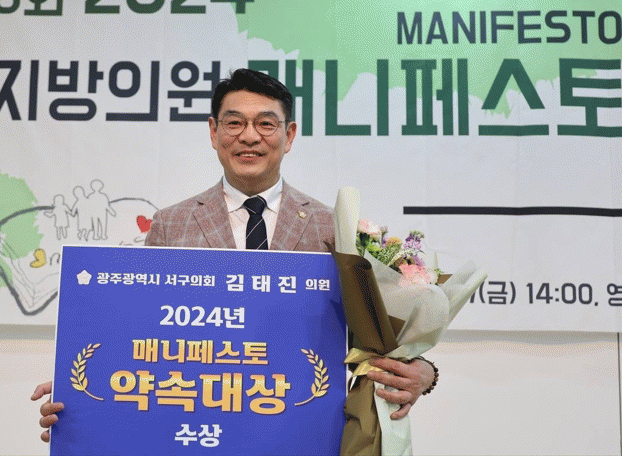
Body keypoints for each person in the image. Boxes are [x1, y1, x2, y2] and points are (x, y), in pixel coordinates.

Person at [32, 68, 437, 442]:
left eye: (266, 124)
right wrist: (85, 398)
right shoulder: (171, 224)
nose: (249, 137)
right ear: (213, 131)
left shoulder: (335, 229)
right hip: (197, 432)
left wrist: (423, 371)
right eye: (234, 123)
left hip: (298, 434)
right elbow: (143, 335)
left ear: (289, 135)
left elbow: (372, 341)